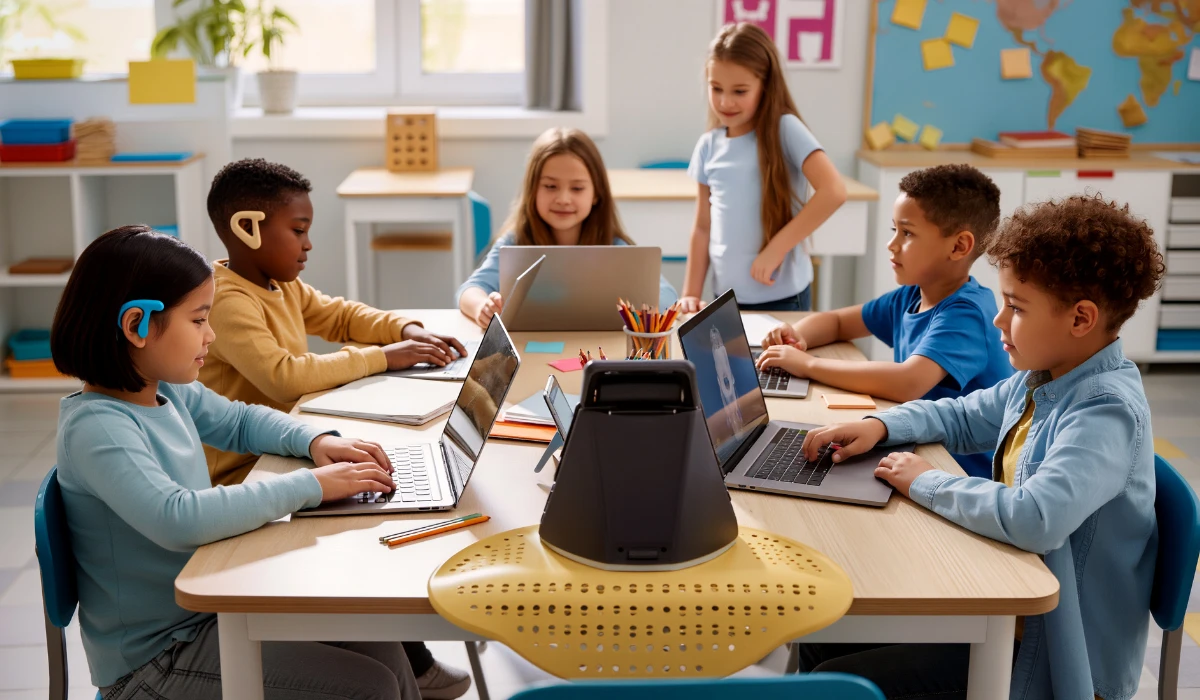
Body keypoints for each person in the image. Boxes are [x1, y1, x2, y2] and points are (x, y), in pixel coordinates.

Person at [795, 195, 1164, 700]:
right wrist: (880, 426)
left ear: (1080, 319)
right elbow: (963, 415)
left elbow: (1036, 518)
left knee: (834, 683)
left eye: (1016, 308)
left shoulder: (1105, 412)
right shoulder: (1045, 375)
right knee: (822, 640)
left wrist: (923, 480)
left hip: (1051, 651)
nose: (998, 322)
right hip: (1013, 609)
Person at [52, 225, 420, 700]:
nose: (211, 335)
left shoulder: (165, 388)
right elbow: (178, 517)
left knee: (379, 642)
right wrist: (313, 485)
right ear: (136, 326)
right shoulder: (97, 428)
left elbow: (241, 422)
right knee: (369, 688)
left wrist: (316, 441)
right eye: (199, 320)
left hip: (207, 613)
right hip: (156, 662)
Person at [198, 158, 473, 698]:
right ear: (248, 229)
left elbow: (342, 316)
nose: (307, 244)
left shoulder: (279, 285)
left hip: (286, 449)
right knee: (364, 524)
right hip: (246, 475)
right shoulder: (226, 298)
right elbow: (282, 377)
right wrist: (383, 358)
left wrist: (405, 328)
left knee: (381, 483)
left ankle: (406, 661)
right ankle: (401, 660)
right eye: (298, 230)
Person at [757, 164, 1013, 477]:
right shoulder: (911, 295)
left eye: (907, 233)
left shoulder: (966, 313)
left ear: (959, 246)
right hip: (916, 450)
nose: (892, 245)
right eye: (894, 230)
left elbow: (908, 382)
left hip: (958, 472)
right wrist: (795, 336)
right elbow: (837, 322)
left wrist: (807, 365)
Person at [679, 22, 846, 313]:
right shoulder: (708, 145)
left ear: (765, 86)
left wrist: (776, 248)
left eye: (740, 91)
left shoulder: (786, 129)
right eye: (716, 88)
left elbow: (834, 191)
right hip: (725, 300)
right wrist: (691, 292)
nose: (725, 101)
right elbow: (703, 228)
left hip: (783, 299)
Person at [457, 127, 678, 327]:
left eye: (577, 188)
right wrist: (481, 307)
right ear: (532, 190)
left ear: (596, 194)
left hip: (596, 352)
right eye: (550, 186)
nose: (563, 198)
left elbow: (667, 294)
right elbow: (469, 290)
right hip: (529, 352)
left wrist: (641, 308)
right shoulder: (515, 243)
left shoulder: (614, 247)